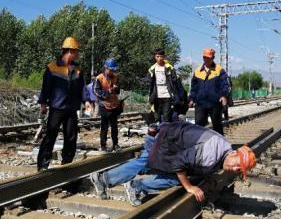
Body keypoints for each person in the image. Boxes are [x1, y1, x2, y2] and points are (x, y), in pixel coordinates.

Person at [123, 121, 256, 206]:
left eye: (239, 169)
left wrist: (206, 176)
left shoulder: (225, 147)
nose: (235, 169)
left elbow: (198, 162)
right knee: (175, 179)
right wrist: (189, 187)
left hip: (170, 145)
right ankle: (136, 186)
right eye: (237, 164)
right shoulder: (210, 154)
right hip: (166, 146)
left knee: (184, 174)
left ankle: (140, 171)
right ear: (234, 154)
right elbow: (179, 164)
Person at [37, 37, 86, 171]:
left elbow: (82, 88)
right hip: (57, 108)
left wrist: (87, 101)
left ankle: (67, 166)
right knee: (50, 136)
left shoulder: (78, 70)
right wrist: (43, 103)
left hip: (71, 109)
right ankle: (42, 166)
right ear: (70, 51)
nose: (78, 54)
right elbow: (46, 87)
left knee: (71, 138)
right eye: (77, 51)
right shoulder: (52, 67)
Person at [90, 124, 159, 199]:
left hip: (162, 132)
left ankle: (104, 179)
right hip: (166, 133)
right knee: (147, 162)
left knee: (145, 162)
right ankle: (135, 186)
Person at [188, 48, 229, 135]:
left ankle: (220, 146)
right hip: (200, 103)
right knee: (198, 126)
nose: (206, 59)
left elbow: (225, 84)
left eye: (208, 57)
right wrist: (192, 98)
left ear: (213, 58)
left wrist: (223, 95)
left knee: (217, 126)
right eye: (205, 57)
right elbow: (194, 87)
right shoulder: (197, 71)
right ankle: (199, 146)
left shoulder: (219, 70)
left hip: (215, 103)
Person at [94, 58, 122, 152]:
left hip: (114, 105)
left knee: (114, 126)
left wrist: (116, 88)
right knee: (104, 127)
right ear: (106, 68)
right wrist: (107, 92)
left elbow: (118, 91)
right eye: (111, 69)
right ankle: (103, 145)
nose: (113, 71)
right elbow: (96, 91)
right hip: (104, 105)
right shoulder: (99, 78)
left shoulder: (116, 77)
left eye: (114, 69)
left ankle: (115, 144)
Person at [148, 48, 181, 123]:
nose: (159, 58)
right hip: (156, 96)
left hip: (167, 95)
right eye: (157, 56)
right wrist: (150, 95)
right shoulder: (152, 69)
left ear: (164, 57)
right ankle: (158, 133)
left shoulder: (169, 68)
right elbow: (149, 82)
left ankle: (166, 132)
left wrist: (175, 95)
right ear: (155, 57)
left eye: (160, 56)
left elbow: (174, 81)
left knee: (166, 117)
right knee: (157, 117)